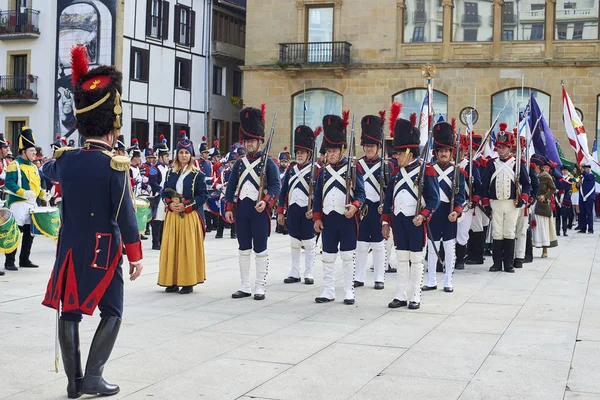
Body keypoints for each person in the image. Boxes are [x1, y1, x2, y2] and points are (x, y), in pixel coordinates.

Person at [41, 45, 143, 398]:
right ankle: (94, 377)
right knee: (112, 309)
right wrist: (136, 255)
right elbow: (126, 215)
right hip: (104, 250)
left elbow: (46, 170)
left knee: (70, 311)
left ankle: (73, 382)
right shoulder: (116, 166)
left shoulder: (65, 161)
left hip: (70, 248)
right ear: (112, 131)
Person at [382, 105, 439, 310]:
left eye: (398, 153)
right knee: (401, 257)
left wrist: (423, 216)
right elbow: (388, 199)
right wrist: (386, 221)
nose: (395, 156)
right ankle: (400, 294)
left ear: (408, 151)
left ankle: (415, 296)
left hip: (415, 221)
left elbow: (434, 199)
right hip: (399, 221)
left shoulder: (427, 170)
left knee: (416, 259)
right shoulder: (396, 173)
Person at [225, 105, 281, 301]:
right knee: (243, 248)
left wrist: (266, 201)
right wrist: (229, 208)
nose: (249, 144)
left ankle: (259, 286)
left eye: (253, 141)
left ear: (260, 141)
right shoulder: (240, 164)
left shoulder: (269, 163)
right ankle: (244, 285)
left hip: (260, 211)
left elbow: (276, 187)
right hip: (242, 211)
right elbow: (231, 188)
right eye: (247, 141)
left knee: (260, 248)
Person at [313, 112, 365, 305]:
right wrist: (317, 217)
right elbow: (317, 196)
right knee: (327, 256)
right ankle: (328, 290)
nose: (331, 153)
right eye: (329, 150)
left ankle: (349, 291)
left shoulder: (353, 167)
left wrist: (355, 206)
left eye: (335, 150)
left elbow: (361, 193)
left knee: (348, 256)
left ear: (342, 149)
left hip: (347, 219)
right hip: (328, 220)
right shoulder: (323, 172)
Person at [158, 133, 209, 294]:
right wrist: (169, 204)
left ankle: (187, 282)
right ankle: (171, 280)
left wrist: (186, 206)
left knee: (186, 248)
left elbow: (202, 196)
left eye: (187, 152)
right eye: (181, 152)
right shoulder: (170, 173)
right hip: (172, 216)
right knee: (171, 247)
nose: (184, 155)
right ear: (177, 154)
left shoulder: (198, 175)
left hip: (189, 215)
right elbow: (164, 193)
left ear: (191, 155)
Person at [481, 123, 531, 273]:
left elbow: (527, 185)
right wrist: (486, 204)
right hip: (495, 203)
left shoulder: (517, 164)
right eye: (499, 147)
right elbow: (484, 186)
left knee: (509, 232)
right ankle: (497, 263)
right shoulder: (491, 164)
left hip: (512, 203)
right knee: (497, 233)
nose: (501, 150)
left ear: (510, 148)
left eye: (504, 147)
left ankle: (508, 263)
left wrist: (522, 199)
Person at [422, 120, 465, 293]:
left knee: (449, 247)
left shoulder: (457, 171)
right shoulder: (428, 169)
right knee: (432, 248)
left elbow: (461, 194)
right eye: (441, 151)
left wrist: (457, 211)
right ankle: (431, 279)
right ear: (436, 152)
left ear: (451, 152)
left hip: (449, 213)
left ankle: (448, 280)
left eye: (447, 151)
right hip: (433, 212)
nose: (444, 154)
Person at [278, 125, 321, 286]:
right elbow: (283, 191)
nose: (300, 155)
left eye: (302, 152)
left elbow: (320, 193)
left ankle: (309, 272)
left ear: (309, 153)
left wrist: (316, 211)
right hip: (294, 209)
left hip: (308, 211)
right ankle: (295, 271)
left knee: (310, 243)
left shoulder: (317, 170)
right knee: (294, 241)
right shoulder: (291, 170)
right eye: (298, 153)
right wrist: (281, 211)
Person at [4, 126, 48, 271]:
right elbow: (9, 183)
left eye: (35, 152)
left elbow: (36, 186)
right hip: (17, 204)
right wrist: (22, 192)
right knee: (14, 233)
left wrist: (43, 194)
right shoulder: (13, 165)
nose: (34, 154)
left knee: (30, 233)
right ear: (23, 151)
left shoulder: (34, 167)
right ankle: (9, 261)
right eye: (32, 151)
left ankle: (24, 259)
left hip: (31, 204)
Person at [354, 112, 387, 290]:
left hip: (378, 208)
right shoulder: (357, 165)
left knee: (378, 244)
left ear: (378, 147)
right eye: (366, 146)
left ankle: (379, 277)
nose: (369, 149)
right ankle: (358, 276)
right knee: (360, 243)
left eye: (372, 146)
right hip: (361, 208)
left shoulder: (386, 165)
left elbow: (389, 190)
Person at [514, 135, 539, 270]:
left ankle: (524, 255)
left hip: (524, 203)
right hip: (511, 203)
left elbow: (535, 185)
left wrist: (530, 199)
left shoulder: (527, 165)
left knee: (523, 231)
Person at [531, 155, 558, 256]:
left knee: (543, 227)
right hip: (532, 203)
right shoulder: (531, 175)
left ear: (538, 166)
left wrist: (545, 196)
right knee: (531, 226)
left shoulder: (546, 176)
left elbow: (554, 189)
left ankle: (545, 249)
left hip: (542, 205)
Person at [147, 136, 170, 250]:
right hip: (158, 196)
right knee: (157, 220)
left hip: (166, 196)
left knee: (165, 220)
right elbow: (152, 182)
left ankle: (162, 241)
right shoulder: (154, 168)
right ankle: (155, 242)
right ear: (160, 157)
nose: (168, 158)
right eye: (166, 156)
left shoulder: (168, 168)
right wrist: (161, 190)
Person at [215, 152, 237, 239]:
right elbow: (216, 182)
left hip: (235, 195)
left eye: (235, 162)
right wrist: (218, 186)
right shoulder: (224, 173)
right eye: (232, 162)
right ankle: (219, 232)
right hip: (224, 195)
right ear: (228, 163)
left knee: (235, 213)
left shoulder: (239, 172)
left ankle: (234, 232)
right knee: (222, 214)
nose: (233, 164)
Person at [276, 148, 291, 234]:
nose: (284, 163)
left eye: (285, 161)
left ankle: (284, 226)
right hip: (279, 193)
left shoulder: (289, 172)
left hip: (286, 193)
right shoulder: (277, 171)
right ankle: (279, 226)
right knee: (279, 210)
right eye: (282, 161)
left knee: (286, 211)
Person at [556, 165, 573, 236]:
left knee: (564, 215)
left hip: (565, 198)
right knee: (557, 216)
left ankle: (565, 230)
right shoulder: (559, 178)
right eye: (563, 170)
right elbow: (556, 185)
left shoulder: (570, 179)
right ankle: (557, 231)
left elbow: (567, 187)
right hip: (558, 197)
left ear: (568, 171)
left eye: (566, 170)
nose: (564, 171)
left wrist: (561, 186)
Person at [577, 164, 595, 234]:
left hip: (589, 197)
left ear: (589, 169)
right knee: (582, 213)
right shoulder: (581, 176)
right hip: (582, 197)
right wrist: (578, 184)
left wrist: (583, 172)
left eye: (586, 168)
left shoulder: (591, 175)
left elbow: (587, 177)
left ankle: (590, 229)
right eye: (584, 168)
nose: (585, 170)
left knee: (589, 213)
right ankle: (583, 228)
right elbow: (577, 183)